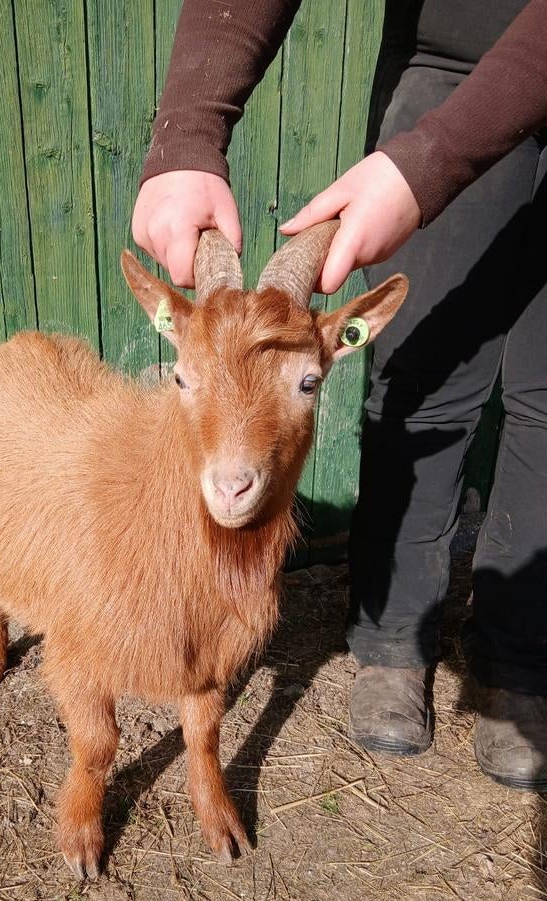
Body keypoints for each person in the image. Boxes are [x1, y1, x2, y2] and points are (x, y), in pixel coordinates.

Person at [132, 0, 547, 789]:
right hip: (450, 63)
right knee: (422, 379)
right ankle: (393, 639)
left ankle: (521, 655)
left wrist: (431, 163)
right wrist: (185, 135)